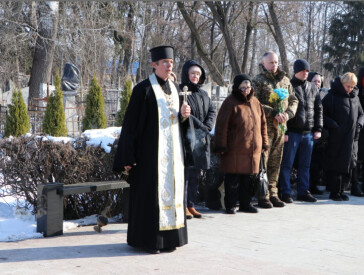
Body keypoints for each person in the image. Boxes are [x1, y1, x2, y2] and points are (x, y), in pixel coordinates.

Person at [113, 46, 191, 254]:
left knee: (173, 195)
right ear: (154, 64)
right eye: (165, 62)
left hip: (173, 156)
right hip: (150, 156)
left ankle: (170, 239)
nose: (169, 65)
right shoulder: (143, 89)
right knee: (150, 197)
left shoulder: (176, 89)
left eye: (171, 62)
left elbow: (179, 123)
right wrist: (129, 156)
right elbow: (130, 124)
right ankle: (149, 241)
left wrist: (184, 115)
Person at [214, 74, 269, 214]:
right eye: (243, 87)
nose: (246, 90)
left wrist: (264, 143)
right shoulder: (230, 102)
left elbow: (263, 124)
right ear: (237, 88)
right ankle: (230, 205)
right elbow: (222, 125)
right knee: (233, 178)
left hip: (252, 149)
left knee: (248, 179)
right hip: (235, 148)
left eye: (248, 87)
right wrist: (221, 145)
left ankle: (246, 204)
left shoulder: (256, 102)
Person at [253, 52, 298, 208]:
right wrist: (273, 113)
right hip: (265, 128)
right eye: (271, 62)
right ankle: (263, 194)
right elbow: (255, 102)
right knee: (263, 161)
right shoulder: (258, 80)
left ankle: (273, 192)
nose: (274, 65)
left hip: (280, 127)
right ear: (263, 63)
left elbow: (293, 99)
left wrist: (287, 114)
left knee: (276, 161)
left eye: (276, 62)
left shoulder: (285, 80)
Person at [279, 59, 323, 203]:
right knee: (287, 163)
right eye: (303, 71)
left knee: (305, 165)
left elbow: (318, 109)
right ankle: (285, 192)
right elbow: (282, 107)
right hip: (292, 132)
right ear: (296, 71)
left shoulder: (313, 87)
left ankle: (303, 191)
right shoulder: (288, 86)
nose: (305, 73)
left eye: (307, 71)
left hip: (308, 133)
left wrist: (318, 128)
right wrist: (284, 131)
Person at [180, 60, 216, 219]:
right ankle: (182, 205)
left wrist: (207, 127)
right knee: (185, 175)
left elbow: (212, 111)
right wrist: (201, 125)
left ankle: (191, 204)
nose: (195, 76)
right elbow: (185, 115)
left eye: (198, 74)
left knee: (195, 174)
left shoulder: (204, 94)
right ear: (186, 74)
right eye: (193, 73)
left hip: (201, 139)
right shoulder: (181, 91)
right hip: (187, 139)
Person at [322, 72, 364, 201]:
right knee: (336, 164)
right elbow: (322, 114)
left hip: (352, 137)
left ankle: (342, 190)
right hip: (337, 137)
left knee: (349, 163)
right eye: (347, 86)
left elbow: (362, 114)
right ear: (342, 83)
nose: (350, 89)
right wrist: (333, 124)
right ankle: (334, 191)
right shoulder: (331, 96)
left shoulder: (355, 98)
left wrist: (359, 126)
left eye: (352, 87)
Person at [307, 72, 328, 195]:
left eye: (319, 81)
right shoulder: (307, 93)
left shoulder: (324, 95)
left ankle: (314, 185)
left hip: (321, 134)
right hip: (308, 131)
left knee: (317, 162)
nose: (317, 83)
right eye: (314, 81)